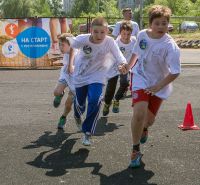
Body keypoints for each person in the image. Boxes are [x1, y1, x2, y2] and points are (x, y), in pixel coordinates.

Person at [124, 5, 181, 168]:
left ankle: (144, 129)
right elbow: (136, 53)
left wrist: (157, 86)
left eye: (164, 23)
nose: (161, 27)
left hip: (160, 83)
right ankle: (135, 149)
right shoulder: (142, 35)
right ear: (150, 24)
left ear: (168, 24)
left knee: (149, 121)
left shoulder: (170, 46)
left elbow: (175, 72)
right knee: (139, 113)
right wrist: (128, 67)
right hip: (140, 77)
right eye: (157, 23)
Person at [67, 17, 127, 146]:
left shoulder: (110, 42)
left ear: (107, 31)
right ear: (91, 30)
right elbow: (72, 47)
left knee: (95, 99)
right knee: (80, 103)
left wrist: (122, 64)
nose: (99, 35)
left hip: (98, 75)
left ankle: (87, 132)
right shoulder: (82, 39)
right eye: (96, 32)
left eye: (102, 32)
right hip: (81, 74)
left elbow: (119, 55)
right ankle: (77, 115)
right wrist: (70, 64)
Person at [103, 21, 136, 116]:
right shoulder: (116, 43)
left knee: (125, 83)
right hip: (114, 67)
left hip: (126, 67)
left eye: (128, 34)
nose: (126, 36)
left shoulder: (134, 41)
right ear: (120, 33)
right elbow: (111, 56)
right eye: (123, 34)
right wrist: (118, 65)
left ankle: (116, 99)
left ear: (131, 33)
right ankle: (107, 103)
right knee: (111, 87)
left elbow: (138, 53)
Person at [53, 33, 76, 130]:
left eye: (63, 45)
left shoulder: (76, 49)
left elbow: (73, 49)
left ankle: (63, 117)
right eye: (59, 44)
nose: (60, 47)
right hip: (66, 73)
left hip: (76, 77)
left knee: (68, 104)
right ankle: (61, 93)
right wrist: (69, 66)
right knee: (56, 92)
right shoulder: (67, 50)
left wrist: (71, 65)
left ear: (70, 44)